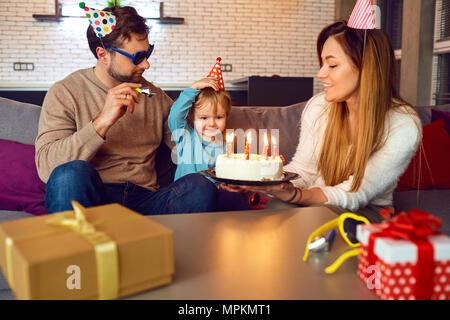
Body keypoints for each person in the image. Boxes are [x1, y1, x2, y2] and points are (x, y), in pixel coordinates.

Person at [226, 21, 422, 223]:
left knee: (314, 220)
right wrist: (263, 182)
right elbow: (304, 171)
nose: (321, 74)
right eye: (322, 63)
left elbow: (355, 193)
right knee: (275, 209)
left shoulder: (403, 124)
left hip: (366, 212)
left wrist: (295, 196)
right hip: (314, 200)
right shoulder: (320, 106)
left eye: (332, 65)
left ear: (366, 67)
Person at [35, 5, 219, 215]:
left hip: (146, 201)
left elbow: (188, 146)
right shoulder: (66, 92)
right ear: (103, 55)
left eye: (148, 53)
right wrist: (101, 123)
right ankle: (76, 247)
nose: (147, 64)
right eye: (137, 57)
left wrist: (228, 171)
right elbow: (48, 167)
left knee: (200, 187)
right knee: (69, 174)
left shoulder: (152, 95)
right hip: (93, 199)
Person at [168, 77, 250, 211]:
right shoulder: (185, 137)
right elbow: (175, 115)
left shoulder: (225, 148)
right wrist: (193, 88)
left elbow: (224, 177)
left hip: (213, 196)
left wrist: (231, 185)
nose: (212, 123)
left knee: (233, 198)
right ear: (192, 117)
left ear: (226, 116)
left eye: (218, 117)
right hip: (185, 194)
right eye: (204, 118)